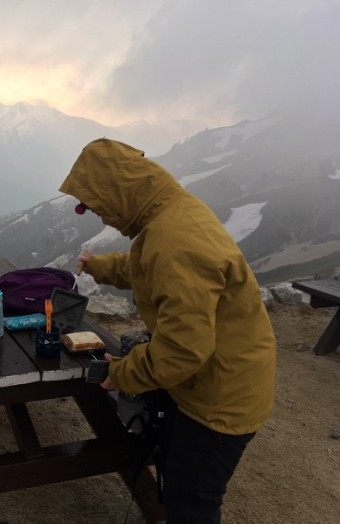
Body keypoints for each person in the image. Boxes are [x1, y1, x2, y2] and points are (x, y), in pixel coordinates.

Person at [59, 138, 276, 523]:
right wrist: (102, 266)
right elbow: (151, 269)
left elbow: (182, 351)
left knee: (191, 502)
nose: (102, 219)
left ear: (118, 194)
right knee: (175, 471)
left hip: (220, 399)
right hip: (209, 382)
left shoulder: (175, 241)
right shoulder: (170, 217)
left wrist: (122, 373)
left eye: (98, 208)